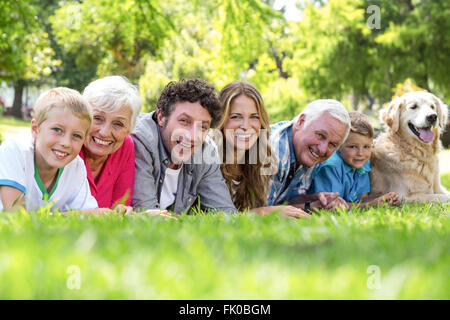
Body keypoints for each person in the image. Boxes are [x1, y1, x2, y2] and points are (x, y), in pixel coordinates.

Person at [132, 79, 237, 214]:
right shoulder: (141, 140)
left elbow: (226, 213)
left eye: (203, 127)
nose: (193, 136)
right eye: (184, 121)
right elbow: (146, 213)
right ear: (161, 117)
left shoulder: (205, 150)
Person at [216, 81, 309, 218]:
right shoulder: (208, 160)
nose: (246, 126)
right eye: (235, 117)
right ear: (220, 119)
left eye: (254, 117)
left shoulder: (261, 161)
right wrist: (262, 213)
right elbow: (201, 216)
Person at [0, 87, 99, 212]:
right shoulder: (14, 151)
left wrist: (114, 213)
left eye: (76, 136)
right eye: (57, 130)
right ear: (35, 129)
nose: (66, 143)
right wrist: (66, 216)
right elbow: (16, 216)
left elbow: (88, 215)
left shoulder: (76, 165)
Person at [267, 99, 351, 212]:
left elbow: (282, 201)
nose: (322, 150)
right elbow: (255, 210)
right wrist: (308, 207)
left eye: (332, 144)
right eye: (320, 135)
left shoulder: (304, 151)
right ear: (301, 122)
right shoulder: (273, 151)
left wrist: (315, 199)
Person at [308, 112, 400, 207]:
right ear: (339, 145)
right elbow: (331, 205)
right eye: (353, 147)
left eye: (366, 147)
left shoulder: (363, 164)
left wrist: (384, 199)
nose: (360, 153)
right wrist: (371, 204)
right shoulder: (331, 166)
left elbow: (362, 199)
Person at [80, 76, 141, 211]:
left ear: (129, 130)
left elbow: (119, 208)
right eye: (97, 118)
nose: (105, 132)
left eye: (118, 124)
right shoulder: (68, 146)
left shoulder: (125, 147)